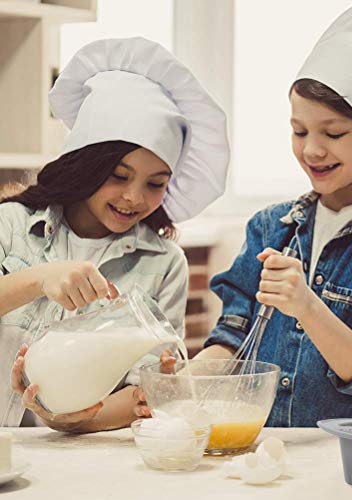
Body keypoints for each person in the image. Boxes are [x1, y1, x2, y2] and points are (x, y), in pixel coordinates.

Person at [136, 0, 352, 426]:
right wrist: (178, 389)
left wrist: (307, 305)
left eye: (333, 132)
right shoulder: (270, 228)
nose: (311, 149)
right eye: (299, 129)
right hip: (267, 453)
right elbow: (233, 340)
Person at [3, 37, 229, 432]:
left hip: (79, 458)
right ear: (85, 165)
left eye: (156, 184)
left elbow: (152, 388)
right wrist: (40, 278)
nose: (134, 198)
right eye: (119, 176)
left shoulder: (162, 263)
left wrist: (73, 421)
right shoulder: (12, 225)